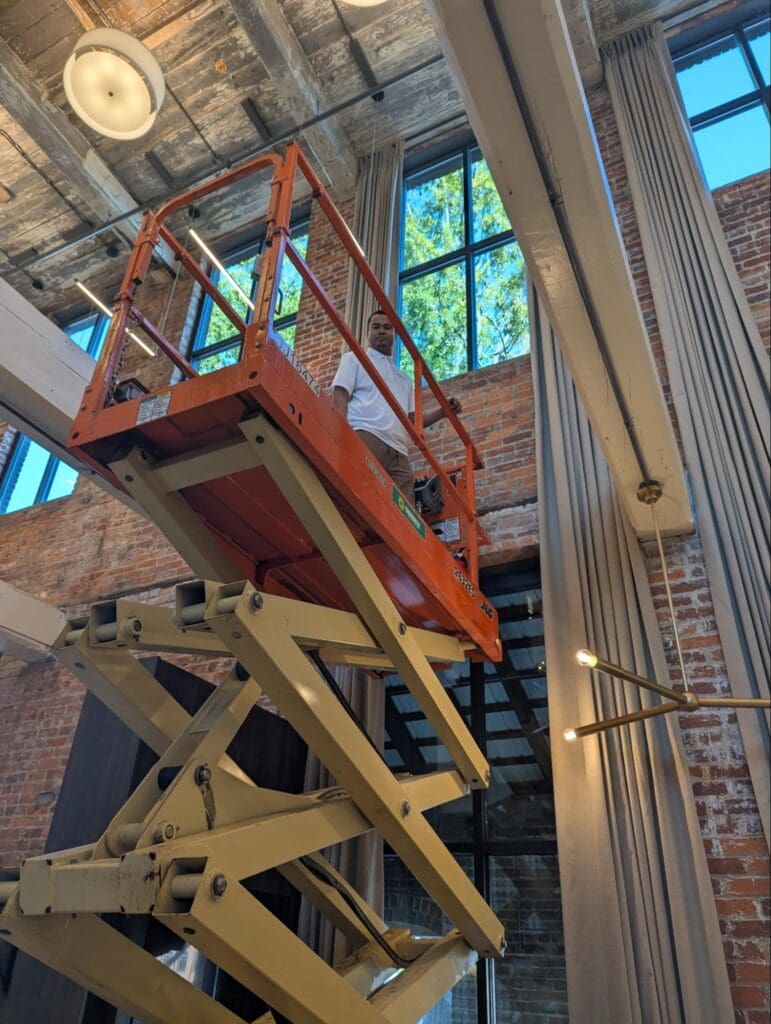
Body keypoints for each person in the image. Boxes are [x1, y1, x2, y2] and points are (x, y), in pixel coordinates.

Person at [332, 309, 462, 498]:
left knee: (404, 514)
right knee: (357, 495)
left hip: (399, 452)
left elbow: (413, 421)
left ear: (394, 334)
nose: (381, 331)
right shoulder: (354, 359)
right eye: (376, 327)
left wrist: (443, 412)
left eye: (387, 327)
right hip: (367, 435)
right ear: (368, 333)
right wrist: (340, 432)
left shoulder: (405, 379)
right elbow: (340, 395)